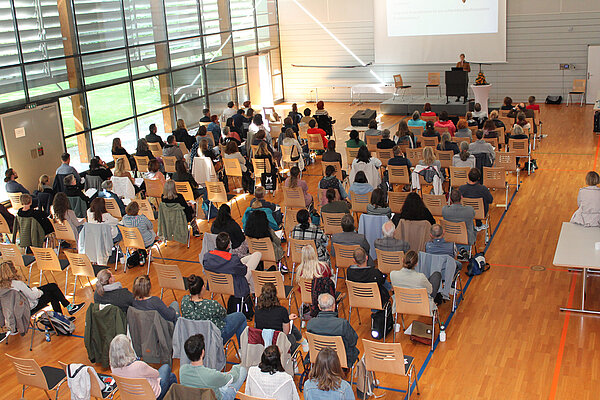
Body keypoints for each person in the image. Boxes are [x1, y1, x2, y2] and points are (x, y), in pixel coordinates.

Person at [0, 260, 84, 316]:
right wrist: (39, 291)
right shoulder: (18, 284)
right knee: (52, 290)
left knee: (51, 288)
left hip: (12, 311)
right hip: (28, 307)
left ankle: (65, 311)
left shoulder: (2, 286)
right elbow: (33, 296)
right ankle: (65, 311)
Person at [179, 333, 247, 400]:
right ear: (203, 352)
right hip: (220, 397)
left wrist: (222, 376)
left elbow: (213, 377)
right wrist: (235, 368)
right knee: (242, 370)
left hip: (200, 394)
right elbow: (233, 378)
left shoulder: (182, 370)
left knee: (222, 377)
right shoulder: (210, 375)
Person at [181, 274, 247, 343]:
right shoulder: (211, 304)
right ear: (203, 287)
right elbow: (223, 314)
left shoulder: (184, 301)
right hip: (214, 338)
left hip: (194, 337)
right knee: (241, 316)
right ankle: (242, 349)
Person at [110, 334, 177, 400]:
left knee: (171, 376)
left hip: (131, 396)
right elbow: (156, 374)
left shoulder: (113, 368)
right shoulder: (138, 366)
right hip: (152, 395)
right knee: (166, 367)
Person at [307, 293, 359, 368]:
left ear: (319, 307)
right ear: (334, 306)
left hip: (318, 358)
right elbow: (353, 341)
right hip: (340, 359)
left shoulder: (311, 323)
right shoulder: (342, 324)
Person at [203, 232, 262, 297]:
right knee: (257, 254)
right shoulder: (233, 260)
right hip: (234, 286)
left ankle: (253, 291)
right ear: (228, 245)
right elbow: (244, 271)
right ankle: (254, 292)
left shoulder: (207, 257)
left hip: (215, 284)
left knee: (248, 260)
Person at [254, 283, 304, 352]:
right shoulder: (282, 310)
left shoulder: (257, 309)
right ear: (275, 295)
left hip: (262, 343)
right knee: (291, 337)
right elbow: (285, 333)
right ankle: (301, 342)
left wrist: (287, 318)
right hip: (279, 343)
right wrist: (287, 318)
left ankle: (302, 341)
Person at [297, 245, 335, 318]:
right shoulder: (323, 267)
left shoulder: (299, 270)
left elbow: (300, 289)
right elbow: (329, 281)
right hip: (323, 297)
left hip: (308, 298)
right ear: (314, 253)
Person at [442, 190, 475, 259]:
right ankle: (462, 249)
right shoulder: (469, 210)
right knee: (471, 225)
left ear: (450, 199)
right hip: (466, 238)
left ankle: (460, 249)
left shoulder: (445, 210)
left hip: (450, 237)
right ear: (462, 197)